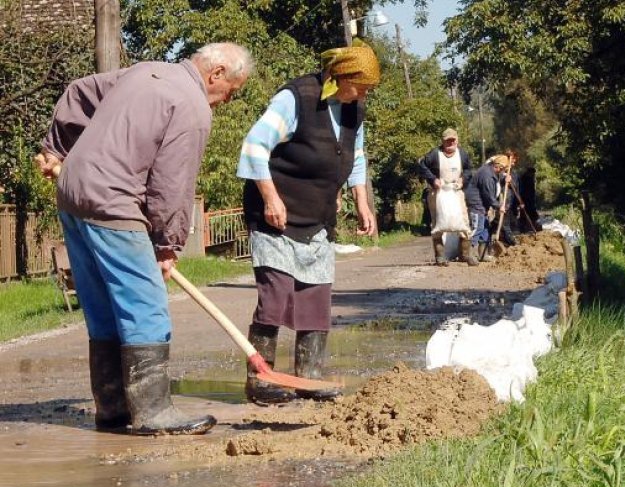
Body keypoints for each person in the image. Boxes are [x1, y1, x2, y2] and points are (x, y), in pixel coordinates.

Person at [34, 43, 253, 436]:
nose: (227, 100)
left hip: (73, 192)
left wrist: (56, 149)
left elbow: (79, 91)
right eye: (231, 90)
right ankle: (153, 412)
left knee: (102, 306)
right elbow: (172, 183)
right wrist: (167, 244)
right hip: (114, 201)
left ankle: (113, 409)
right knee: (145, 305)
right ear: (216, 73)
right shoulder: (192, 106)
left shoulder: (146, 71)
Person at [238, 42, 379, 405]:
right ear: (340, 77)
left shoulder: (353, 108)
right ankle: (261, 379)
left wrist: (362, 201)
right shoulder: (296, 98)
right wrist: (270, 198)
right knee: (276, 296)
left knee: (315, 298)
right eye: (360, 86)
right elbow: (255, 146)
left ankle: (309, 377)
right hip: (276, 215)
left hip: (316, 219)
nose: (364, 94)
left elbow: (356, 155)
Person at [416, 128, 476, 265]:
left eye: (453, 140)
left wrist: (463, 180)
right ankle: (440, 256)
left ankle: (465, 254)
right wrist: (433, 179)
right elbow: (422, 165)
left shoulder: (462, 154)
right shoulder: (434, 154)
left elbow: (468, 170)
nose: (450, 143)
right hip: (438, 192)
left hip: (455, 191)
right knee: (437, 223)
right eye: (447, 141)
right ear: (442, 141)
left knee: (464, 221)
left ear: (457, 140)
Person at [464, 154, 509, 263]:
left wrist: (504, 178)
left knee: (485, 229)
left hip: (482, 204)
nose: (503, 172)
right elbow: (488, 196)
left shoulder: (492, 171)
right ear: (498, 167)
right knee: (478, 228)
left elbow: (497, 181)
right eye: (503, 170)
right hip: (476, 204)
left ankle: (482, 255)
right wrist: (499, 207)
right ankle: (470, 255)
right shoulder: (486, 176)